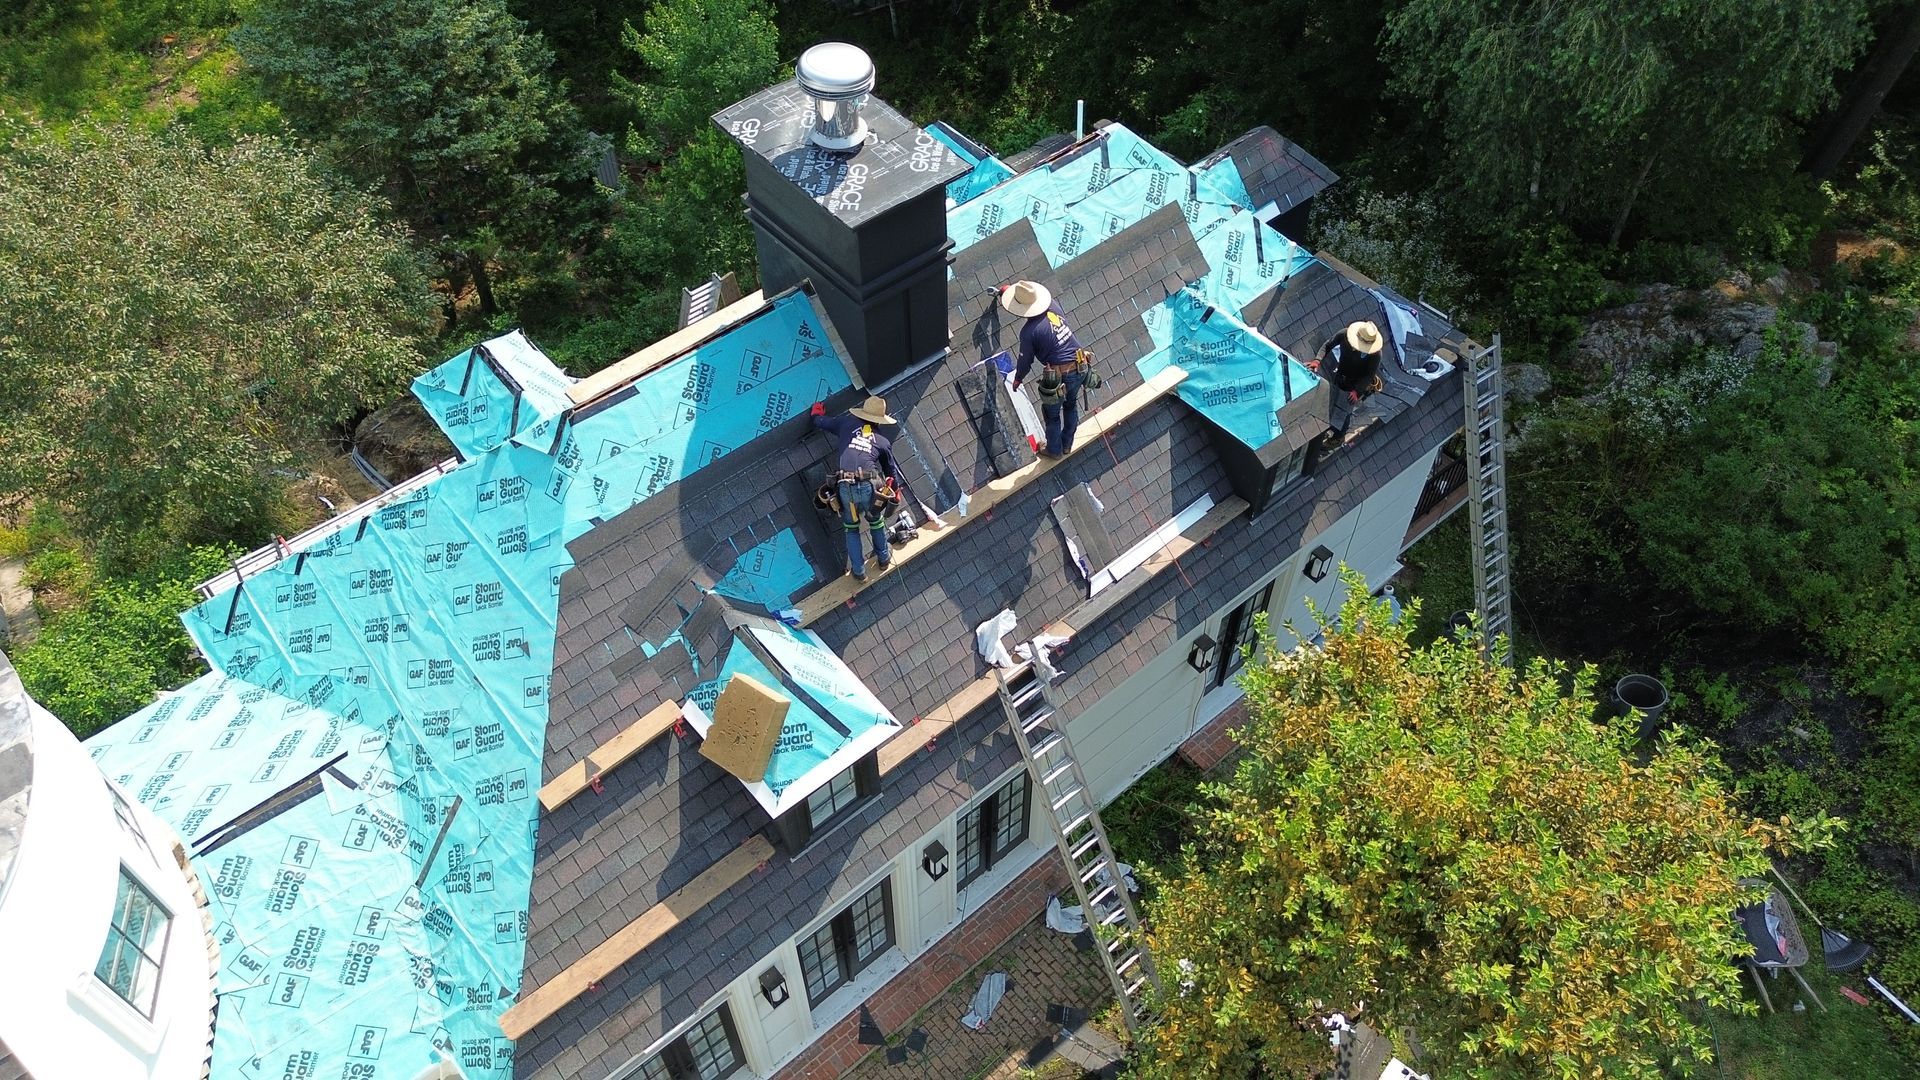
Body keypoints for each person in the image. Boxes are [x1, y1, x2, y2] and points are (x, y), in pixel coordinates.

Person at [811, 395, 900, 580]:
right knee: (876, 522)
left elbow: (822, 422)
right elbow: (891, 472)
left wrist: (816, 414)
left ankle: (859, 573)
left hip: (845, 487)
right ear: (879, 420)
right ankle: (883, 558)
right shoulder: (882, 442)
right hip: (868, 487)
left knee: (851, 529)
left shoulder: (846, 424)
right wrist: (896, 493)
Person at [1002, 279, 1086, 458]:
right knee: (1071, 405)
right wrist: (1011, 294)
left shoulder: (1029, 332)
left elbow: (1025, 361)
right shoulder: (1053, 306)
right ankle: (1066, 445)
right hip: (1080, 366)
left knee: (1052, 414)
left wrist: (1018, 378)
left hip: (1060, 376)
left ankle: (1054, 450)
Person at [1313, 320, 1386, 434]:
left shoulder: (1376, 354)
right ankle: (1323, 425)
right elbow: (1327, 345)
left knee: (1344, 411)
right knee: (1332, 401)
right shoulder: (1344, 334)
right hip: (1341, 374)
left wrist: (1357, 391)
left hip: (1356, 384)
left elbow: (1369, 375)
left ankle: (1338, 436)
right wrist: (1317, 360)